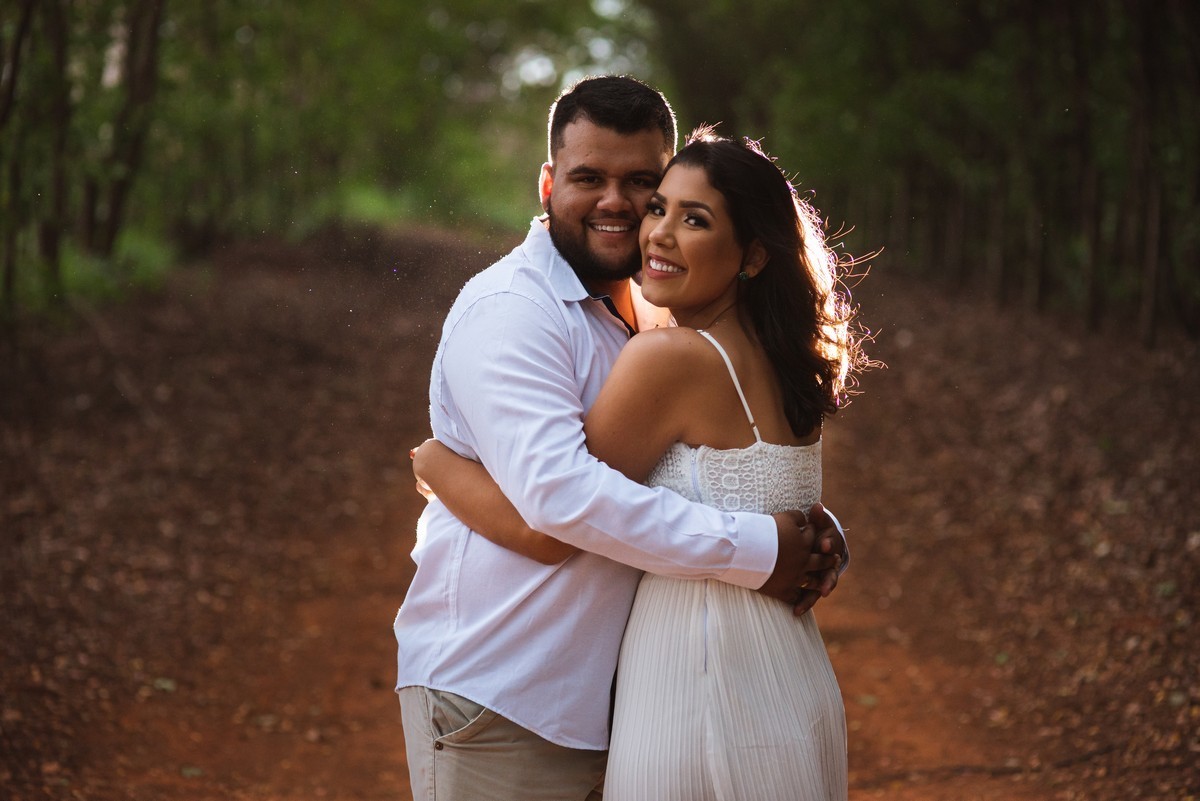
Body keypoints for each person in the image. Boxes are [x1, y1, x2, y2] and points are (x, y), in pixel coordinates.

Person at [393, 76, 848, 801]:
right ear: (547, 183)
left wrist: (436, 462)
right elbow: (559, 505)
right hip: (507, 695)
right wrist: (771, 544)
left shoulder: (664, 317)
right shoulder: (513, 312)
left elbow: (576, 505)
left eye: (643, 182)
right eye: (588, 178)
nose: (620, 203)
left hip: (642, 692)